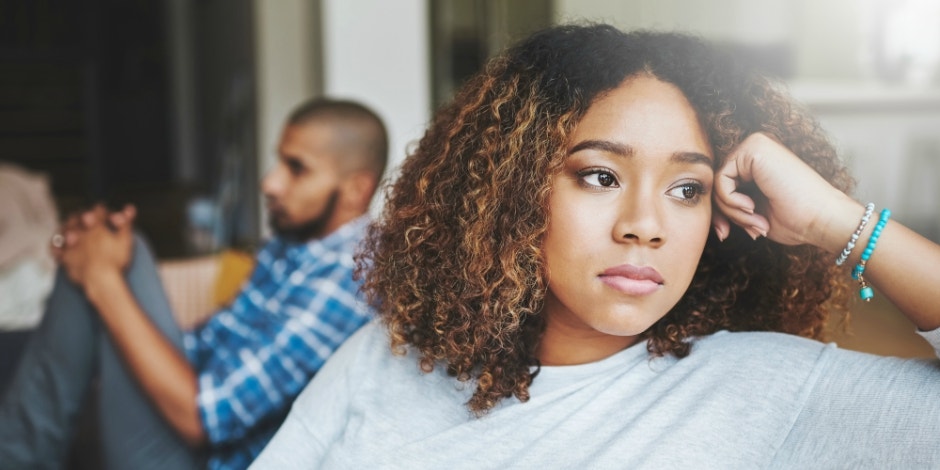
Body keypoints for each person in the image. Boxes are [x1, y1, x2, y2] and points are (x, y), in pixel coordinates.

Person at [251, 24, 940, 469]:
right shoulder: (386, 356)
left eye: (687, 189)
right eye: (601, 176)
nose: (645, 224)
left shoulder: (767, 391)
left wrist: (842, 224)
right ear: (515, 194)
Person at [0, 98, 388, 470]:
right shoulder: (295, 246)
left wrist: (103, 280)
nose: (270, 182)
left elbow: (205, 419)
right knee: (105, 248)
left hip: (204, 460)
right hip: (188, 427)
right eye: (279, 162)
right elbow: (203, 347)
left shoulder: (349, 278)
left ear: (356, 188)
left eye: (296, 168)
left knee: (120, 257)